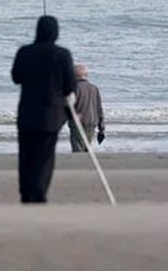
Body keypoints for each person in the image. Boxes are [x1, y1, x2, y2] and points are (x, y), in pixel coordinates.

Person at [11, 15, 76, 203]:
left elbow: (16, 77)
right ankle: (39, 192)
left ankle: (26, 192)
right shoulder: (62, 55)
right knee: (44, 157)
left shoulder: (24, 52)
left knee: (26, 155)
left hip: (26, 113)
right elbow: (70, 85)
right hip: (50, 115)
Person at [68, 64, 105, 153]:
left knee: (78, 150)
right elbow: (99, 109)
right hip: (92, 123)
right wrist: (101, 129)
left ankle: (80, 166)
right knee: (86, 149)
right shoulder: (94, 88)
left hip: (78, 123)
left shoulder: (74, 88)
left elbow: (68, 107)